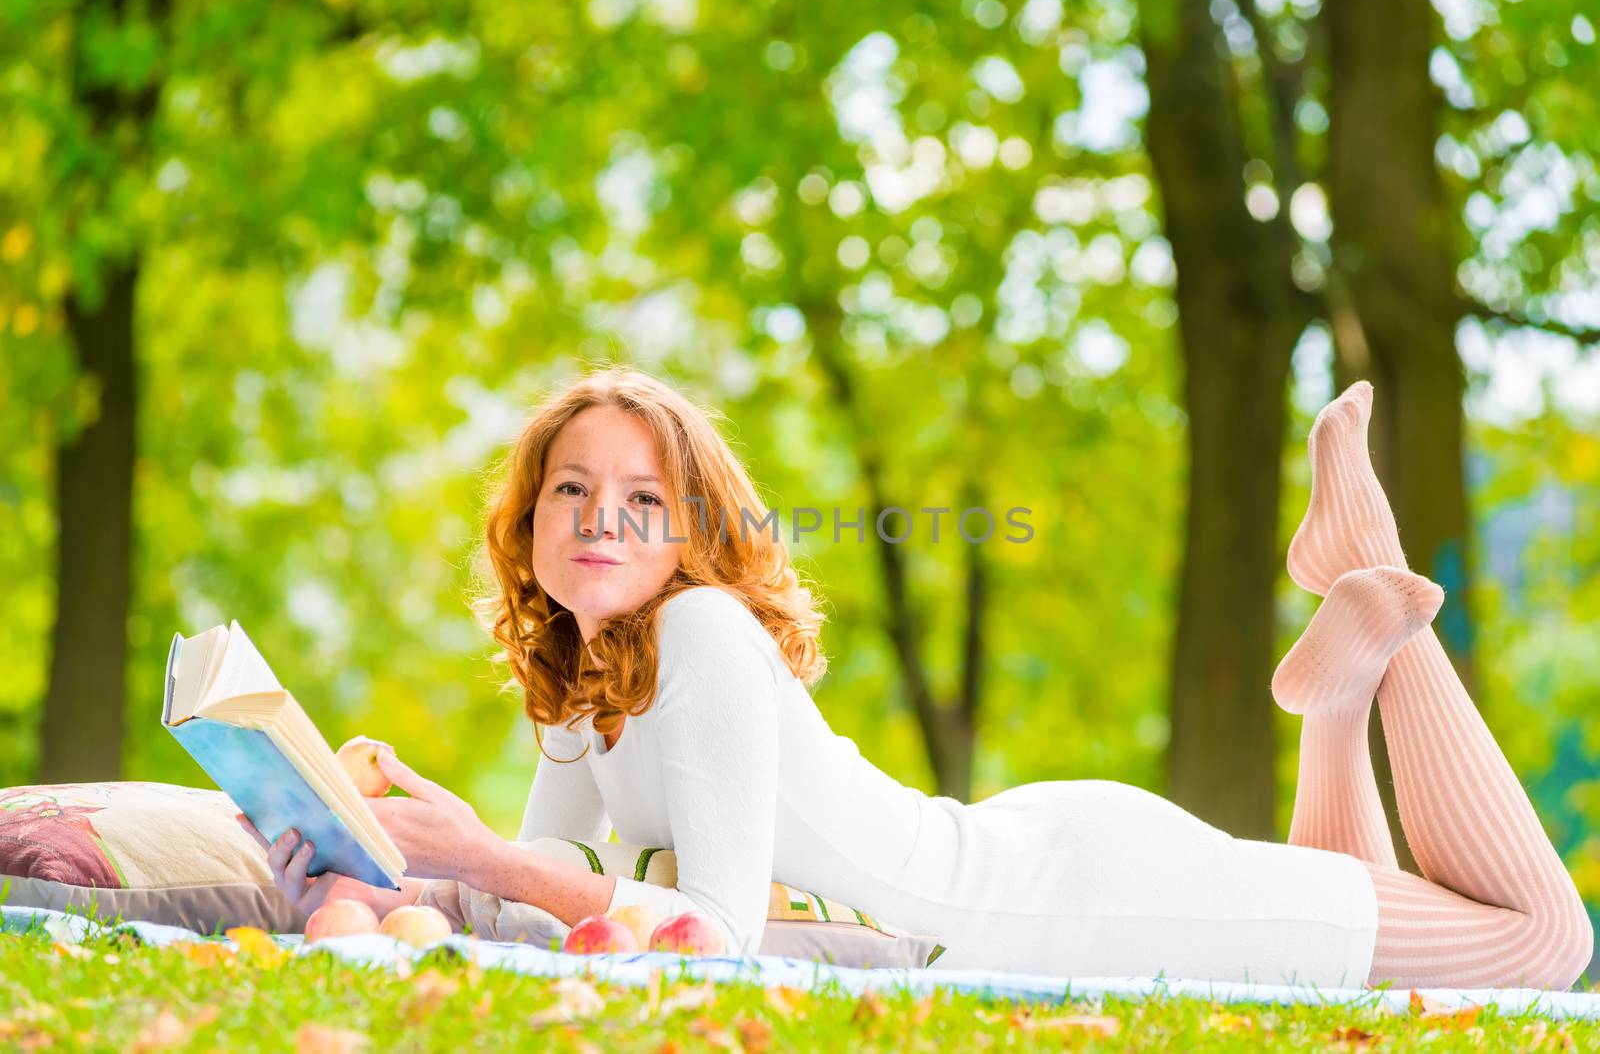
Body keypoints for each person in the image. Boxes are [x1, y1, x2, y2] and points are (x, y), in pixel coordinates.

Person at [241, 367, 1592, 988]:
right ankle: (1338, 694)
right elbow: (562, 916)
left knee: (1544, 944)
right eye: (572, 491)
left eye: (644, 498)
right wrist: (409, 862)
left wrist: (488, 861)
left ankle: (1372, 572)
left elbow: (707, 929)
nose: (602, 516)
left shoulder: (703, 631)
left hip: (1077, 915)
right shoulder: (584, 687)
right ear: (529, 523)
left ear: (695, 535)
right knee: (1371, 933)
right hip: (1041, 871)